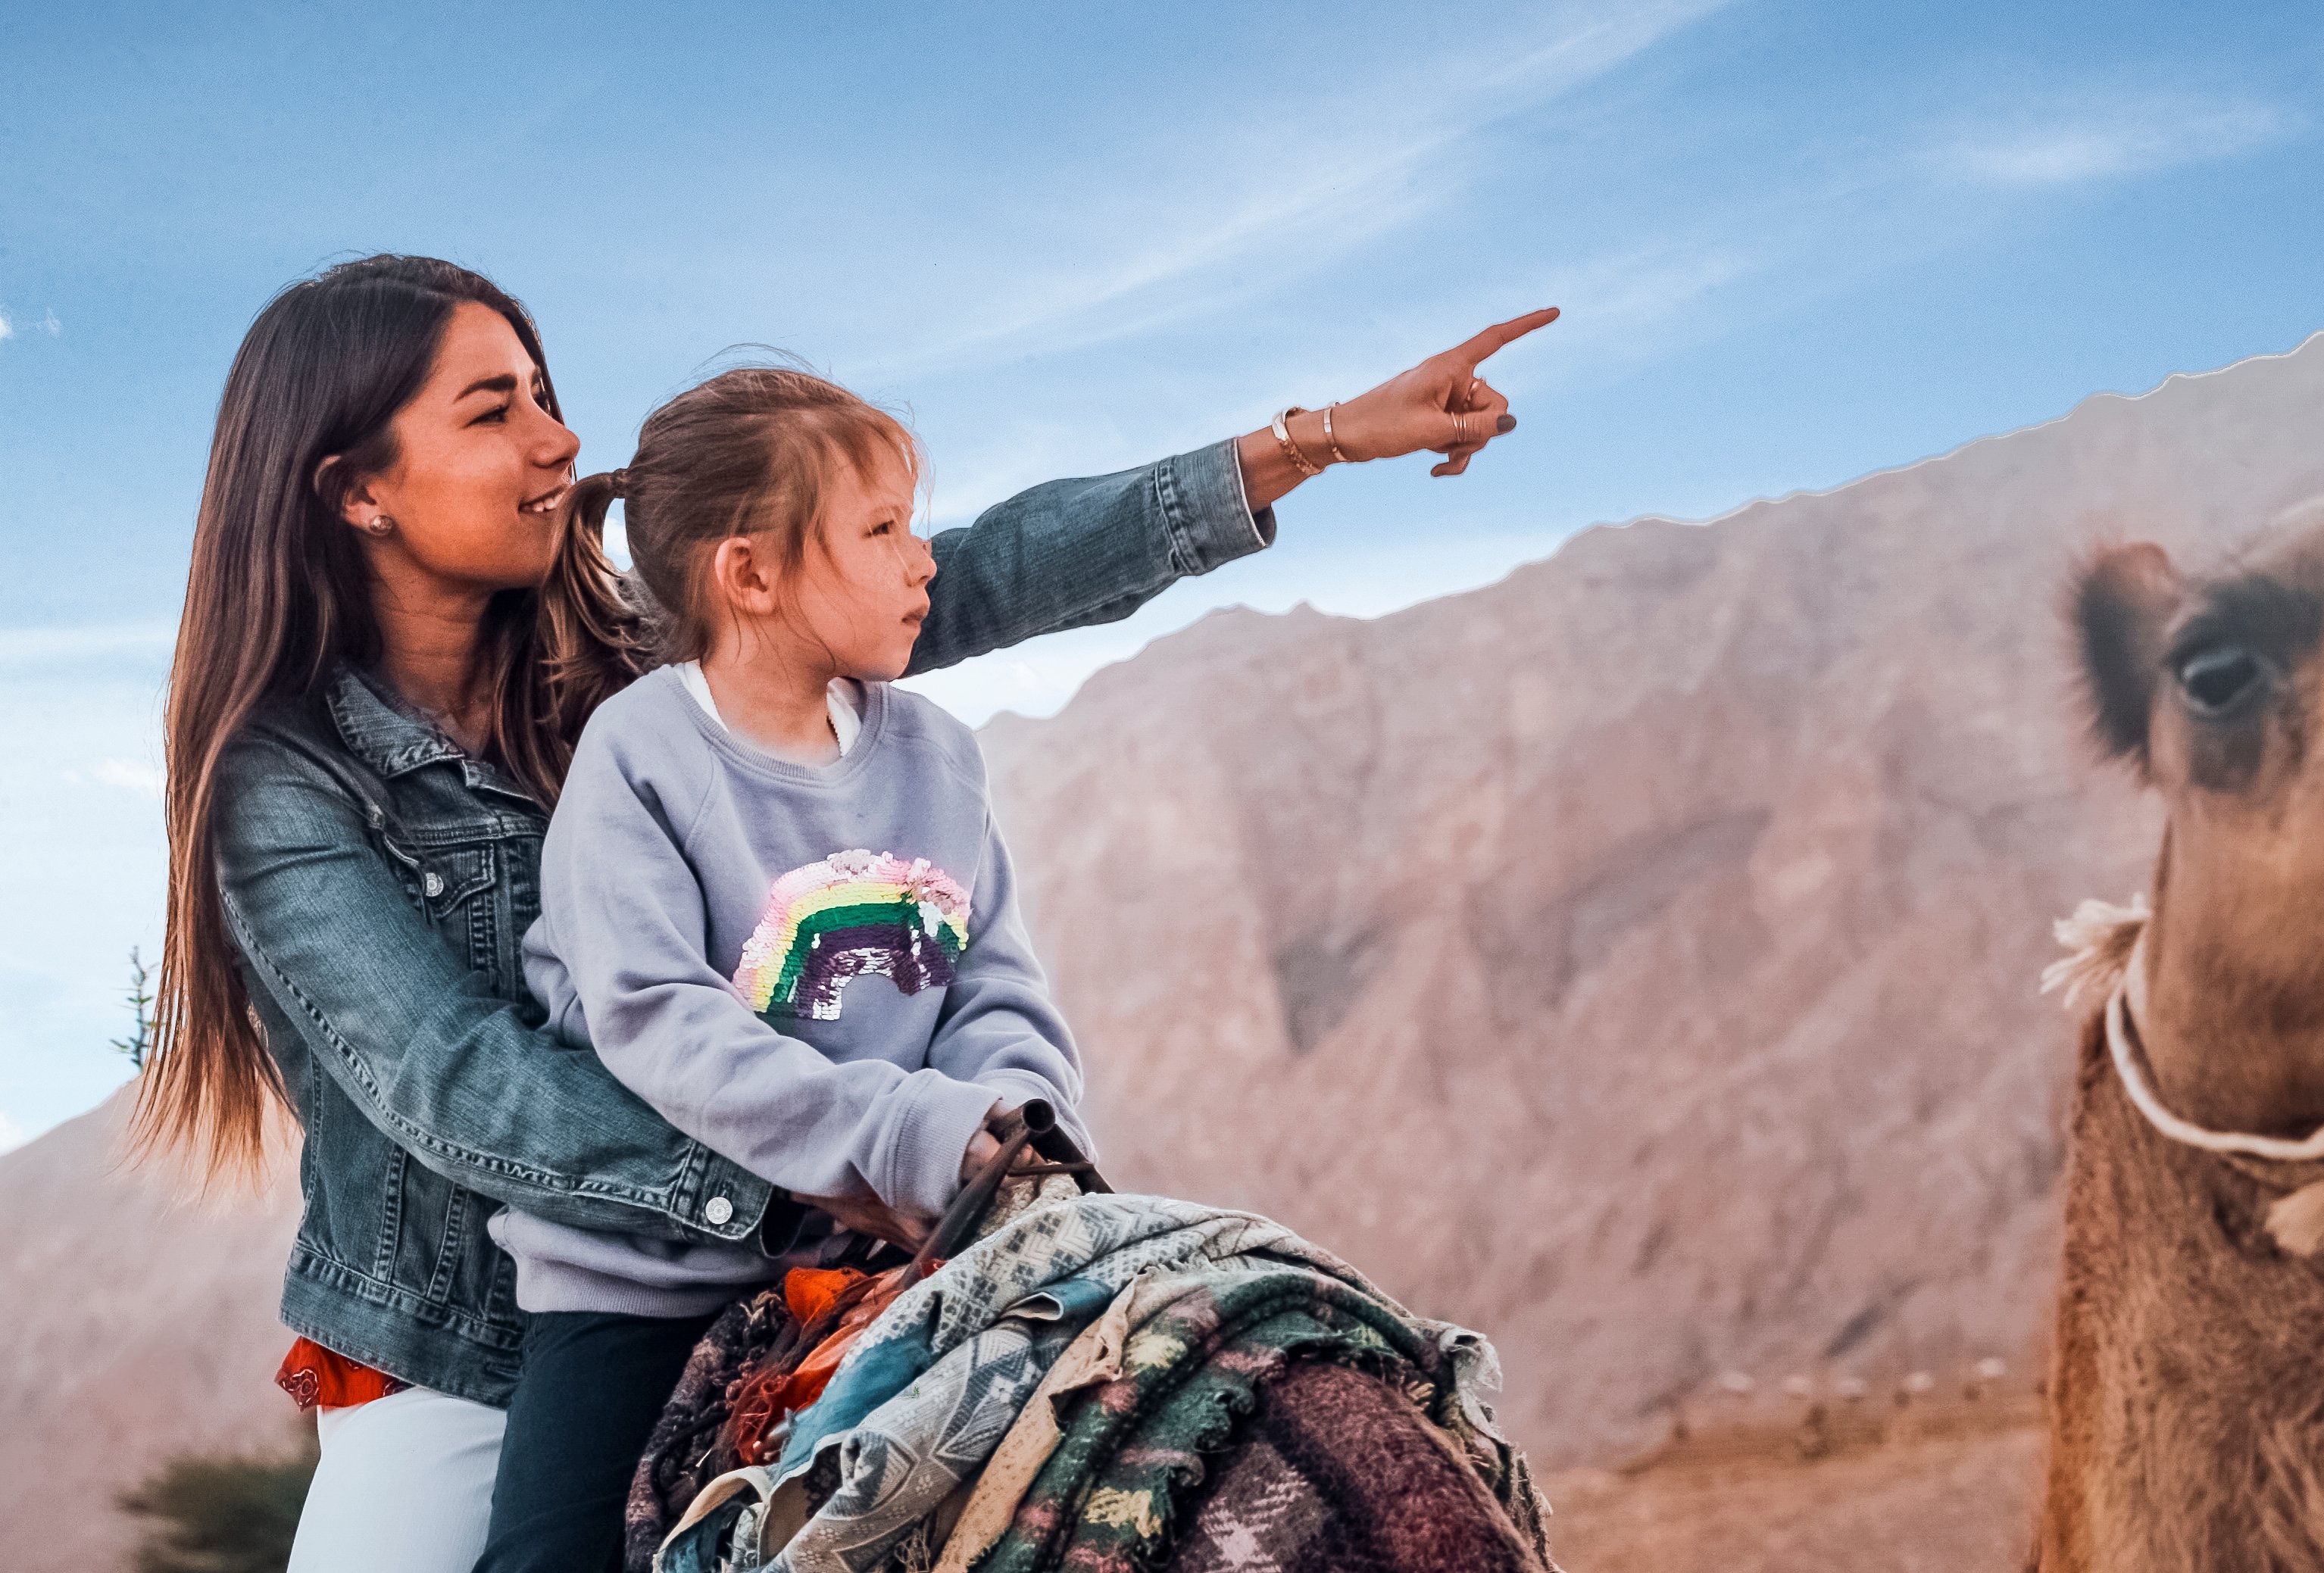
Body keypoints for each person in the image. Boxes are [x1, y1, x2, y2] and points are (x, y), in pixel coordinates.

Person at [139, 252, 1551, 1573]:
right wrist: (836, 1170)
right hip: (487, 1350)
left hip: (834, 1234)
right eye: (493, 411)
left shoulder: (647, 653)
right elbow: (460, 1085)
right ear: (355, 490)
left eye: (550, 395)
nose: (559, 440)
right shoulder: (282, 783)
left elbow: (952, 570)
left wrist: (1307, 442)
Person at [478, 367, 1094, 1570]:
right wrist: (910, 1132)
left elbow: (993, 984)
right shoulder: (641, 757)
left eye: (913, 523)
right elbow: (655, 1019)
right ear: (749, 574)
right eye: (880, 529)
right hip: (646, 1281)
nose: (923, 560)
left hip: (901, 1245)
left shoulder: (937, 754)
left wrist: (1013, 1128)